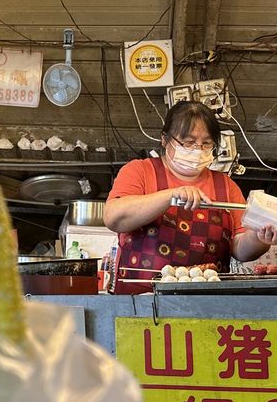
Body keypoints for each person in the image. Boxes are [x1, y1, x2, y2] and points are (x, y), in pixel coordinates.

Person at [104, 101, 277, 293]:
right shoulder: (140, 171)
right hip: (139, 303)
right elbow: (114, 218)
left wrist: (260, 236)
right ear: (164, 139)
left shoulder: (226, 186)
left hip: (206, 301)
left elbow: (240, 250)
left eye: (206, 143)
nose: (197, 149)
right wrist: (170, 196)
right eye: (188, 142)